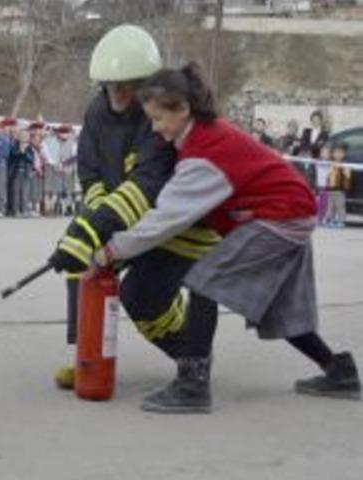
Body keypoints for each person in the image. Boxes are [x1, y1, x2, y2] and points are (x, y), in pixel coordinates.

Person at [81, 63, 360, 404]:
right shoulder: (203, 134)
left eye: (158, 119)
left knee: (204, 281)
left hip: (279, 216)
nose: (154, 129)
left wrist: (109, 251)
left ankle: (193, 385)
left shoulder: (203, 153)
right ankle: (339, 371)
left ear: (182, 109)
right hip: (291, 212)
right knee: (278, 307)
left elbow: (164, 219)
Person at [47, 24, 221, 407]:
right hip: (122, 215)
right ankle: (86, 358)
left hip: (173, 226)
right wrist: (92, 222)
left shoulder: (156, 117)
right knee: (83, 267)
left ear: (147, 85)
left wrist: (93, 229)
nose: (119, 95)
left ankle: (192, 360)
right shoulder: (96, 112)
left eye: (128, 86)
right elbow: (91, 172)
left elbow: (146, 186)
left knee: (141, 298)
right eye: (111, 86)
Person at [324, 142, 352, 228]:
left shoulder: (345, 164)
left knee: (340, 206)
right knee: (330, 206)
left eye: (340, 152)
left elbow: (348, 177)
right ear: (332, 154)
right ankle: (330, 220)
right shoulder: (330, 163)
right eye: (336, 152)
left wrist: (345, 173)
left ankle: (341, 220)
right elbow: (327, 176)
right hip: (331, 189)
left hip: (340, 189)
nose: (338, 154)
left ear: (344, 154)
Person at [8, 129, 35, 217]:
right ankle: (16, 211)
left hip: (25, 172)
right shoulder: (14, 145)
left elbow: (31, 159)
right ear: (19, 136)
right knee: (16, 192)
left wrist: (25, 153)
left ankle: (24, 210)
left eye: (25, 136)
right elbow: (13, 155)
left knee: (25, 192)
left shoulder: (29, 147)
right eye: (22, 135)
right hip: (16, 171)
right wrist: (20, 152)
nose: (24, 137)